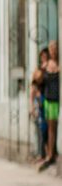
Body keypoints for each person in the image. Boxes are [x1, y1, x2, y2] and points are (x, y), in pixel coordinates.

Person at [39, 40, 59, 172]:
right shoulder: (45, 65)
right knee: (49, 128)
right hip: (48, 99)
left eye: (55, 48)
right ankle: (49, 154)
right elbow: (37, 82)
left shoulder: (58, 64)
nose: (53, 50)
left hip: (57, 99)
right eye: (51, 48)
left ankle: (53, 153)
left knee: (55, 127)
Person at [30, 48, 49, 162]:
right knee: (41, 127)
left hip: (47, 99)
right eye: (42, 56)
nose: (44, 57)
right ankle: (41, 153)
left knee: (46, 127)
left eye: (45, 55)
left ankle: (46, 152)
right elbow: (33, 88)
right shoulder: (38, 70)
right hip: (39, 100)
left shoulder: (50, 68)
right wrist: (32, 105)